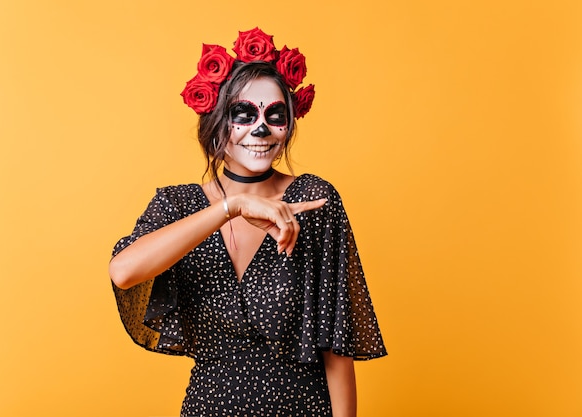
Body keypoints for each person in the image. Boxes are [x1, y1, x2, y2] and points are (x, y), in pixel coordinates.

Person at [109, 28, 387, 417]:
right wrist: (232, 206)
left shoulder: (312, 199)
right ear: (216, 122)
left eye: (275, 115)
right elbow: (123, 271)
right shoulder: (178, 203)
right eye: (244, 115)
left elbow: (336, 349)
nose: (261, 130)